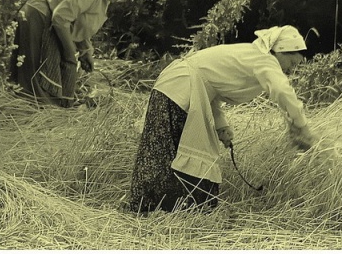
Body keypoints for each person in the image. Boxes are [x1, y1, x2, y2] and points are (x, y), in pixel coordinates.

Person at [130, 25, 318, 213]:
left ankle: (156, 209)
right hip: (180, 89)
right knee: (169, 152)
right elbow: (282, 91)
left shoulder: (251, 54)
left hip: (174, 87)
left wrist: (221, 127)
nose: (291, 69)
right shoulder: (265, 60)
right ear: (282, 51)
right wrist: (302, 127)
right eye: (292, 63)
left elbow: (211, 89)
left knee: (165, 151)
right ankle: (172, 210)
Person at [9, 0, 144, 107]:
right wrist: (70, 51)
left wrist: (85, 52)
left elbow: (79, 22)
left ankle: (46, 112)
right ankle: (29, 118)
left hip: (48, 18)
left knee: (45, 77)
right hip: (38, 15)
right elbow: (60, 18)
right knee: (34, 78)